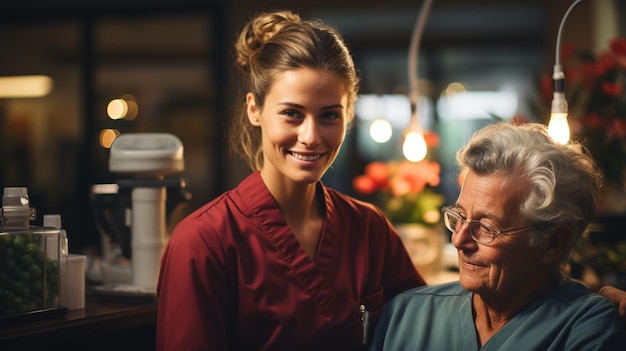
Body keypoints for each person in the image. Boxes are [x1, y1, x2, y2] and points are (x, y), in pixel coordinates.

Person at [156, 9, 425, 350]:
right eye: (291, 114)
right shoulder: (202, 242)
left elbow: (426, 325)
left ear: (350, 114)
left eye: (329, 115)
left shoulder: (370, 230)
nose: (311, 136)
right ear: (254, 109)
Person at [370, 122, 626, 350]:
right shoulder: (405, 315)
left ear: (553, 242)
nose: (459, 241)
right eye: (458, 217)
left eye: (486, 228)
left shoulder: (588, 328)